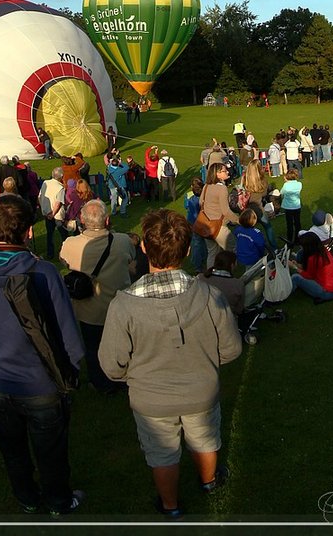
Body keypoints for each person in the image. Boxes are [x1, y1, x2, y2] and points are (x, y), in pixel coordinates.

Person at [98, 209, 242, 519]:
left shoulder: (123, 305)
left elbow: (111, 366)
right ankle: (208, 482)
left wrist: (138, 374)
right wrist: (202, 362)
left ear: (144, 250)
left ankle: (171, 506)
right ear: (188, 250)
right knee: (204, 438)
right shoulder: (210, 295)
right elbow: (230, 348)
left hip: (151, 399)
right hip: (199, 390)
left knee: (162, 453)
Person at [0, 194, 85, 517]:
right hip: (39, 384)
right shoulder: (42, 273)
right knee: (49, 450)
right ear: (28, 231)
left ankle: (27, 496)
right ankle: (57, 500)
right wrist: (71, 369)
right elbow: (69, 337)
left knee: (12, 447)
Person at [59, 198, 134, 395]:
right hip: (118, 305)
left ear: (82, 221)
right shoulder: (123, 241)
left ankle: (101, 382)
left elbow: (64, 261)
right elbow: (131, 257)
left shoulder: (71, 244)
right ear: (107, 220)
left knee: (93, 347)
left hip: (89, 309)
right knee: (121, 345)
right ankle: (121, 379)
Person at [199, 162, 241, 268]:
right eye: (224, 170)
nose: (227, 172)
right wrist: (238, 220)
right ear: (217, 174)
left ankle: (211, 277)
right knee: (233, 249)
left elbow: (201, 203)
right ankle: (229, 274)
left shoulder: (206, 186)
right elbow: (225, 211)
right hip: (219, 226)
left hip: (205, 225)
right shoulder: (222, 188)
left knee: (212, 253)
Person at [289, 231, 333, 302]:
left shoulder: (313, 258)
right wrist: (297, 265)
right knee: (298, 276)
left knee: (295, 277)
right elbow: (311, 270)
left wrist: (295, 267)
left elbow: (309, 276)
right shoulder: (324, 251)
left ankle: (283, 295)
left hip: (328, 292)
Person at [38, 166, 67, 259]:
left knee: (49, 235)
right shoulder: (60, 187)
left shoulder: (45, 183)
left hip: (46, 212)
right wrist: (53, 213)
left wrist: (44, 208)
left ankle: (50, 254)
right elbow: (58, 203)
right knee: (63, 234)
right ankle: (66, 252)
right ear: (61, 177)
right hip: (57, 215)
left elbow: (39, 197)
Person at [184, 177, 207, 272]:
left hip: (192, 222)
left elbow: (186, 206)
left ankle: (197, 264)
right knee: (204, 241)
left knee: (196, 243)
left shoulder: (188, 196)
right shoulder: (205, 197)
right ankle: (204, 258)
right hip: (203, 222)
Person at [280, 169, 303, 246]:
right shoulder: (299, 184)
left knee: (289, 224)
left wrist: (286, 182)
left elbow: (281, 193)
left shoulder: (286, 185)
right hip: (296, 206)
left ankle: (289, 240)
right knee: (297, 223)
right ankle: (298, 240)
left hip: (288, 207)